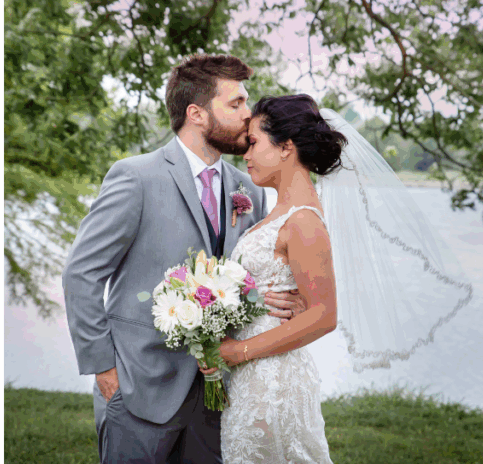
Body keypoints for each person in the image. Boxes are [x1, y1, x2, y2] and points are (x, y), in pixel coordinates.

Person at [62, 54, 305, 463]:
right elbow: (81, 275)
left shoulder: (248, 190)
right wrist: (104, 370)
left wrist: (283, 299)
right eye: (236, 103)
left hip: (218, 394)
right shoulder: (136, 177)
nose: (248, 115)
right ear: (196, 113)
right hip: (138, 386)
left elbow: (250, 278)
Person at [201, 95, 345, 463]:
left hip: (274, 383)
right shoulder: (277, 214)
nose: (246, 155)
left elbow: (325, 315)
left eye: (253, 143)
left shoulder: (304, 221)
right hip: (251, 380)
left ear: (285, 147)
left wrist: (237, 351)